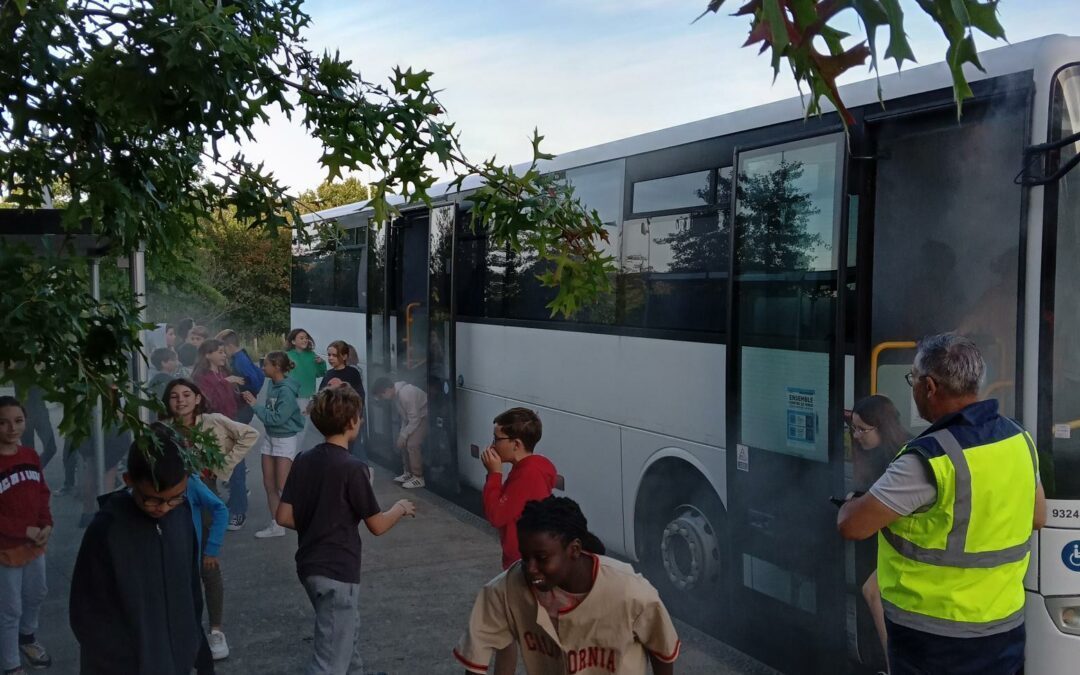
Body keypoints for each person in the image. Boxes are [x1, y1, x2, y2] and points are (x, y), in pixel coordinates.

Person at [838, 333, 1046, 675]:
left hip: (934, 642)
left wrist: (849, 505)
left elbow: (852, 526)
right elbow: (1037, 516)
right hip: (1003, 632)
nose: (913, 388)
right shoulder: (1018, 439)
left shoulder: (928, 459)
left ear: (929, 387)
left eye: (913, 381)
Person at [454, 496, 680, 675]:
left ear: (574, 549)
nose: (531, 568)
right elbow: (476, 655)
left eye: (541, 558)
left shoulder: (630, 591)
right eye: (525, 557)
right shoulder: (506, 590)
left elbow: (662, 650)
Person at [276, 386, 416, 675]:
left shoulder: (303, 459)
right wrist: (400, 508)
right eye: (360, 417)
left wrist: (319, 520)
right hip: (338, 570)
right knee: (329, 662)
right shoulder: (353, 467)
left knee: (343, 638)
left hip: (309, 565)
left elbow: (284, 516)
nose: (361, 422)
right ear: (352, 422)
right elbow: (376, 524)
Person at [70, 424, 205, 675]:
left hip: (178, 661)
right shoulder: (106, 529)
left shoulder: (181, 513)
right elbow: (85, 613)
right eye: (152, 499)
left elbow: (191, 588)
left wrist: (197, 650)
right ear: (128, 480)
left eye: (174, 498)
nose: (163, 509)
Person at [480, 408, 558, 675]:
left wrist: (493, 474)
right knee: (506, 632)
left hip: (523, 566)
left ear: (516, 443)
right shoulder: (534, 468)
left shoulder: (527, 474)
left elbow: (496, 514)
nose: (492, 445)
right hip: (521, 563)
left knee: (513, 633)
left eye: (496, 439)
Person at [848, 395, 909, 673]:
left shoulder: (905, 456)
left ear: (881, 427)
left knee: (872, 590)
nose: (856, 436)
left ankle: (892, 664)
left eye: (862, 429)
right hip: (894, 538)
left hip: (911, 541)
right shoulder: (879, 452)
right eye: (853, 429)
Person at [0, 397, 53, 674]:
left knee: (37, 593)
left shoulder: (30, 456)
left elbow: (42, 492)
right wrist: (23, 530)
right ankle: (11, 664)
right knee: (10, 609)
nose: (12, 428)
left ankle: (27, 637)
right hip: (7, 548)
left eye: (18, 421)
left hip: (35, 544)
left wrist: (46, 523)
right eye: (3, 422)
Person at [242, 352, 304, 539]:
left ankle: (303, 518)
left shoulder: (286, 390)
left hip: (284, 439)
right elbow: (270, 412)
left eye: (266, 365)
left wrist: (254, 405)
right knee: (269, 484)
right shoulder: (272, 384)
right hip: (270, 437)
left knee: (283, 485)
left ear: (277, 367)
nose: (262, 368)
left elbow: (277, 418)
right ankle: (277, 524)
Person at [215, 329, 266, 531]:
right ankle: (236, 504)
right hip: (241, 410)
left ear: (228, 346)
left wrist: (244, 392)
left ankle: (238, 509)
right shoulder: (243, 356)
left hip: (240, 411)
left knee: (235, 458)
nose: (222, 354)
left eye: (221, 349)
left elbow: (255, 380)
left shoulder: (239, 360)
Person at [186, 473, 231, 663]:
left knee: (209, 569)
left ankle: (215, 630)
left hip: (198, 481)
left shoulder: (191, 482)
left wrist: (225, 466)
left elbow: (219, 510)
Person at [372, 377, 428, 489]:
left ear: (388, 389)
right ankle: (408, 472)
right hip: (415, 419)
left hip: (424, 416)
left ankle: (418, 477)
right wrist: (402, 435)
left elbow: (414, 418)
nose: (383, 398)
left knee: (412, 444)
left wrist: (404, 435)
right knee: (403, 442)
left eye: (382, 395)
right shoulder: (396, 395)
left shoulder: (405, 394)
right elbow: (405, 418)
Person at [318, 341, 366, 464]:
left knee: (352, 449)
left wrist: (359, 416)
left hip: (349, 418)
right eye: (329, 355)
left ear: (344, 356)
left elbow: (360, 395)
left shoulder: (352, 373)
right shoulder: (329, 374)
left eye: (334, 355)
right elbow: (321, 395)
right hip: (333, 420)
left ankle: (361, 470)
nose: (330, 358)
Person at [193, 339, 244, 422]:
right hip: (216, 422)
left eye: (224, 352)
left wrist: (241, 397)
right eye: (220, 352)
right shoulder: (201, 377)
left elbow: (229, 400)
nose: (224, 355)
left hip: (231, 420)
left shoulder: (223, 373)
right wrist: (224, 383)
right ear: (207, 355)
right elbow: (210, 403)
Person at [285, 328, 327, 403]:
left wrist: (321, 363)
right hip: (290, 396)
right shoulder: (287, 356)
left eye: (306, 338)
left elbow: (321, 373)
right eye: (301, 338)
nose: (305, 340)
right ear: (293, 341)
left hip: (308, 397)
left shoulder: (312, 356)